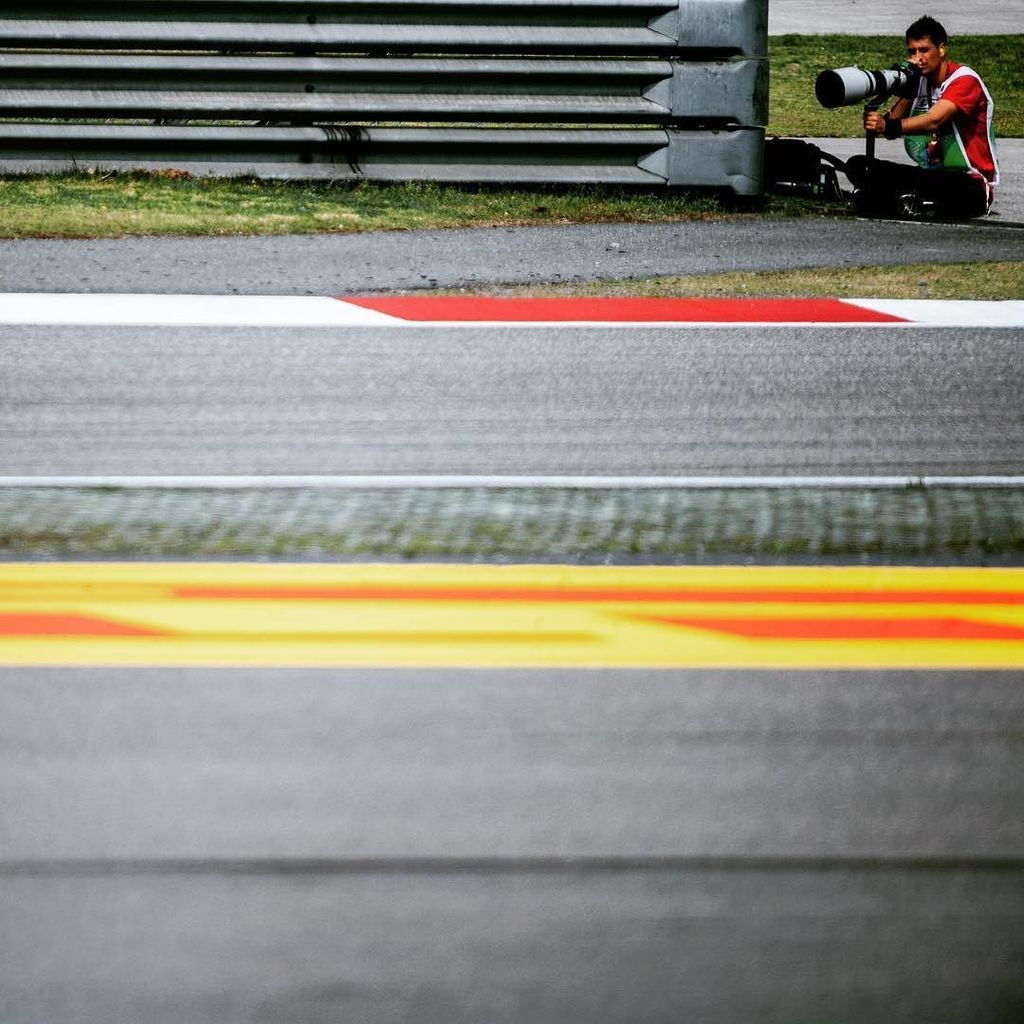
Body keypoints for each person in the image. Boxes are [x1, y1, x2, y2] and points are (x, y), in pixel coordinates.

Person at [845, 16, 999, 220]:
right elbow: (891, 125)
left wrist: (887, 126)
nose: (918, 58)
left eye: (924, 50)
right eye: (912, 51)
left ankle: (905, 201)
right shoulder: (921, 81)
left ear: (941, 49)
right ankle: (911, 201)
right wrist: (907, 87)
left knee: (937, 185)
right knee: (858, 165)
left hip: (970, 181)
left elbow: (934, 120)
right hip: (931, 175)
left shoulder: (964, 80)